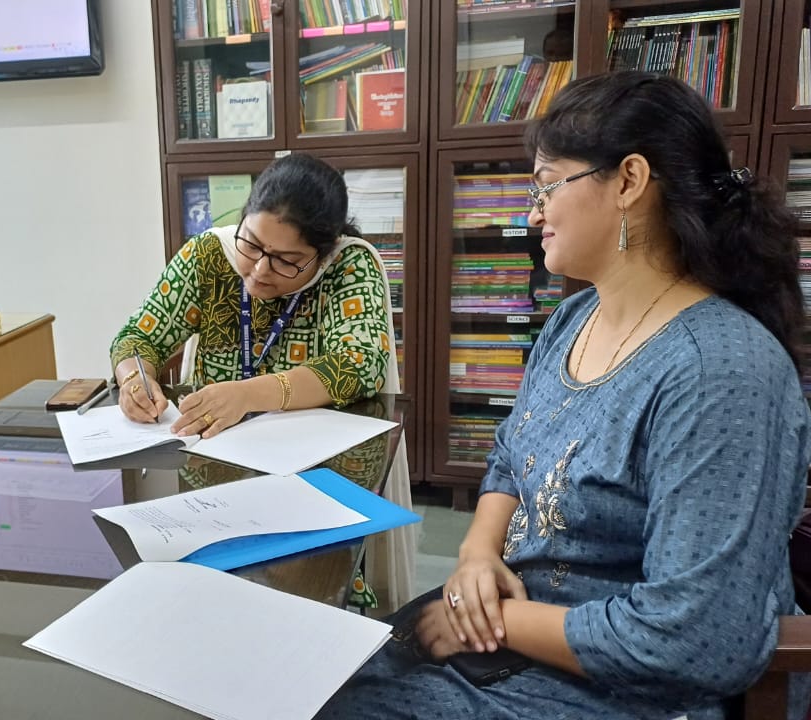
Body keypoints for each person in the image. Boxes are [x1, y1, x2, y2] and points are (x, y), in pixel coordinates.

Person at [318, 71, 811, 720]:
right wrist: (473, 555)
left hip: (628, 689)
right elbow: (509, 456)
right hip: (518, 633)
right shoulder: (572, 320)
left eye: (547, 183)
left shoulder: (722, 372)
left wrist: (497, 621)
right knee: (313, 677)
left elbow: (695, 638)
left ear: (630, 182)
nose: (532, 212)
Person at [110, 152, 415, 609]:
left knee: (307, 595)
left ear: (324, 250)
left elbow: (361, 363)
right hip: (211, 479)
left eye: (286, 260)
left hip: (312, 480)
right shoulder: (208, 257)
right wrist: (136, 379)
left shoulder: (348, 267)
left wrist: (249, 394)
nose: (257, 270)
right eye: (251, 245)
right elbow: (137, 338)